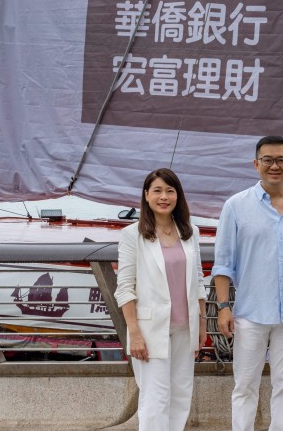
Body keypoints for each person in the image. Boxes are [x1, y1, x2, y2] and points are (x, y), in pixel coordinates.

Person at [212, 136, 283, 431]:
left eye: (280, 160)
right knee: (244, 385)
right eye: (267, 160)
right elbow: (224, 263)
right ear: (256, 164)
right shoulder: (236, 206)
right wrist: (224, 307)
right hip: (250, 313)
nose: (274, 166)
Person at [116, 168, 207, 431]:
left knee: (180, 396)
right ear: (146, 195)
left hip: (185, 327)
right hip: (149, 329)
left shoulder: (190, 232)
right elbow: (125, 287)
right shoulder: (132, 234)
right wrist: (134, 333)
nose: (163, 196)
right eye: (157, 191)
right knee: (155, 399)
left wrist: (201, 323)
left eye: (170, 190)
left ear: (178, 195)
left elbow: (199, 280)